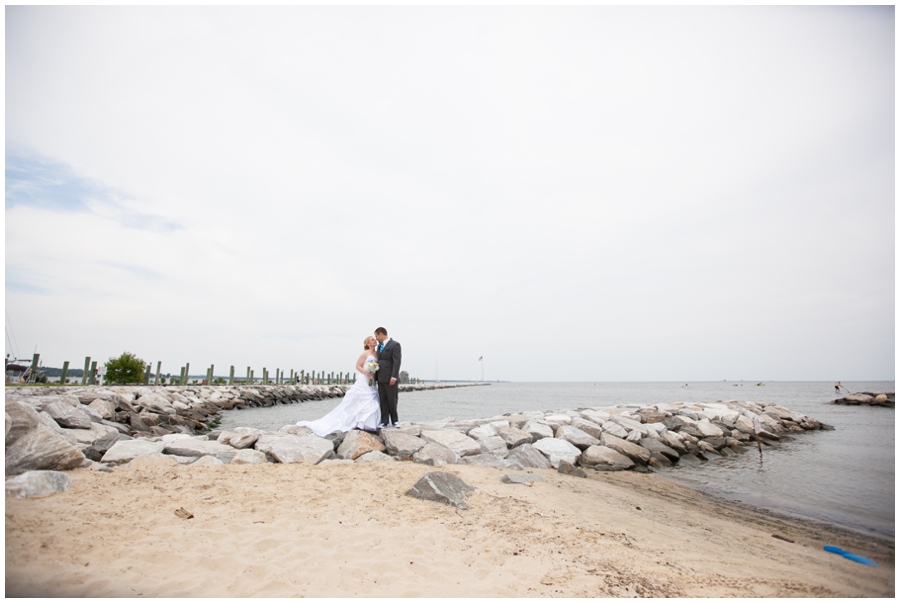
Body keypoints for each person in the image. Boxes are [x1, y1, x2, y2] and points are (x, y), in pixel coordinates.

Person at [295, 336, 381, 436]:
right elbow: (357, 366)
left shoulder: (377, 354)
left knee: (372, 400)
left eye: (374, 339)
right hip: (364, 379)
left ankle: (369, 424)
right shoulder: (365, 353)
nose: (374, 340)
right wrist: (366, 373)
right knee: (361, 399)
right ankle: (358, 423)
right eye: (372, 340)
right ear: (367, 343)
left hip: (372, 379)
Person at [374, 327, 401, 428]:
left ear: (381, 334)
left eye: (376, 336)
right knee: (383, 400)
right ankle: (384, 421)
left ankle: (395, 420)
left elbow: (397, 361)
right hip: (380, 377)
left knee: (392, 399)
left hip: (390, 377)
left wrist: (394, 376)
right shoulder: (379, 346)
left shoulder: (395, 345)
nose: (376, 338)